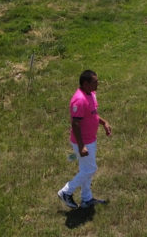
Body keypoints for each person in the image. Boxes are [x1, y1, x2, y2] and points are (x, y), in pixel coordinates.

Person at [57, 69, 112, 210]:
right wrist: (81, 146)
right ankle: (66, 191)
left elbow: (93, 114)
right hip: (83, 142)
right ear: (86, 83)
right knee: (90, 169)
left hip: (90, 139)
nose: (98, 84)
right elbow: (75, 124)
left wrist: (104, 122)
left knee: (85, 168)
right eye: (95, 82)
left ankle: (86, 199)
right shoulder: (79, 100)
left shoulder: (91, 94)